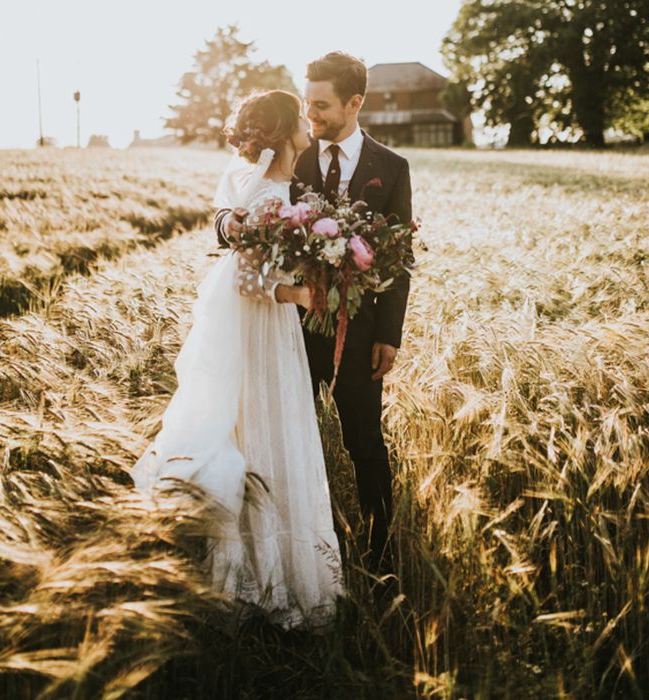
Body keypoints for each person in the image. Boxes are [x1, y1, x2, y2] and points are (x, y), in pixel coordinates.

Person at [130, 89, 345, 631]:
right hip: (262, 326)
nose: (307, 121)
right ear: (281, 131)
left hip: (269, 329)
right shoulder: (269, 194)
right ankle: (263, 576)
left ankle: (260, 562)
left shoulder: (280, 187)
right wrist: (299, 295)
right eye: (298, 114)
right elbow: (251, 281)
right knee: (264, 429)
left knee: (260, 430)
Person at [214, 52, 413, 583]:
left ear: (355, 103)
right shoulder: (291, 152)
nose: (312, 115)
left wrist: (389, 336)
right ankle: (297, 553)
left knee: (366, 442)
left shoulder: (392, 167)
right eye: (307, 103)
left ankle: (380, 556)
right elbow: (238, 202)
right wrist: (226, 225)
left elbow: (401, 257)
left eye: (322, 105)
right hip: (288, 333)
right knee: (288, 440)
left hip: (362, 331)